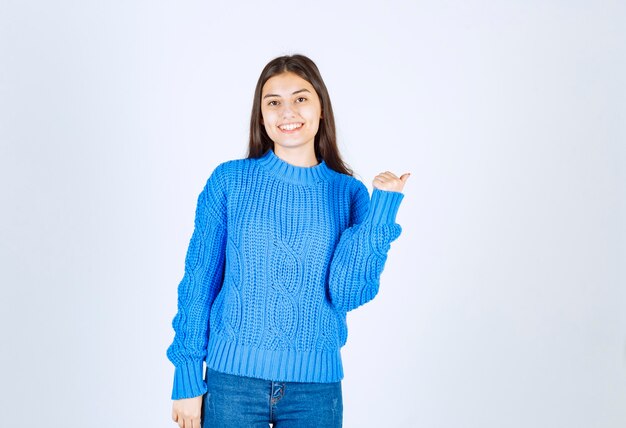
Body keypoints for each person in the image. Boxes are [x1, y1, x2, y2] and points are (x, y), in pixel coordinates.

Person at [166, 53, 410, 428]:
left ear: (321, 108)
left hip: (315, 390)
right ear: (261, 116)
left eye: (300, 98)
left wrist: (383, 210)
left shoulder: (348, 193)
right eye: (274, 102)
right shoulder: (229, 182)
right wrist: (185, 377)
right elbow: (199, 282)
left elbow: (348, 293)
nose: (287, 112)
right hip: (231, 383)